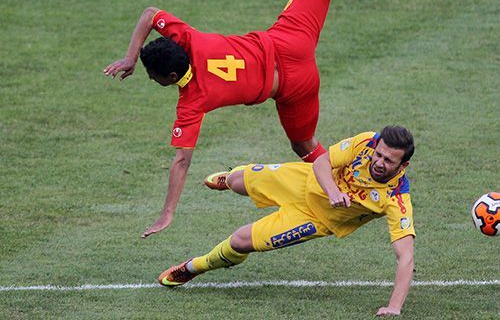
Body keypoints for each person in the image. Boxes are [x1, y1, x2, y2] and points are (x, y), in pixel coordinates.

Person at [103, 0, 406, 238]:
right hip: (290, 39)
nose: (151, 79)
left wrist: (167, 213)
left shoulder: (192, 102)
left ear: (171, 76)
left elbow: (182, 161)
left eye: (153, 77)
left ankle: (335, 190)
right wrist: (131, 56)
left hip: (294, 88)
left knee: (306, 146)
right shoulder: (187, 38)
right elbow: (149, 13)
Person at [158, 125, 416, 317]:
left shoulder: (396, 199)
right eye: (379, 155)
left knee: (240, 240)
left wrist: (394, 307)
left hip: (314, 219)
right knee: (238, 181)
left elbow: (405, 257)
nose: (379, 162)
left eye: (388, 160)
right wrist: (333, 191)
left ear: (403, 164)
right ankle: (232, 178)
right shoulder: (367, 142)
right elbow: (323, 162)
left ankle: (194, 268)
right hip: (304, 180)